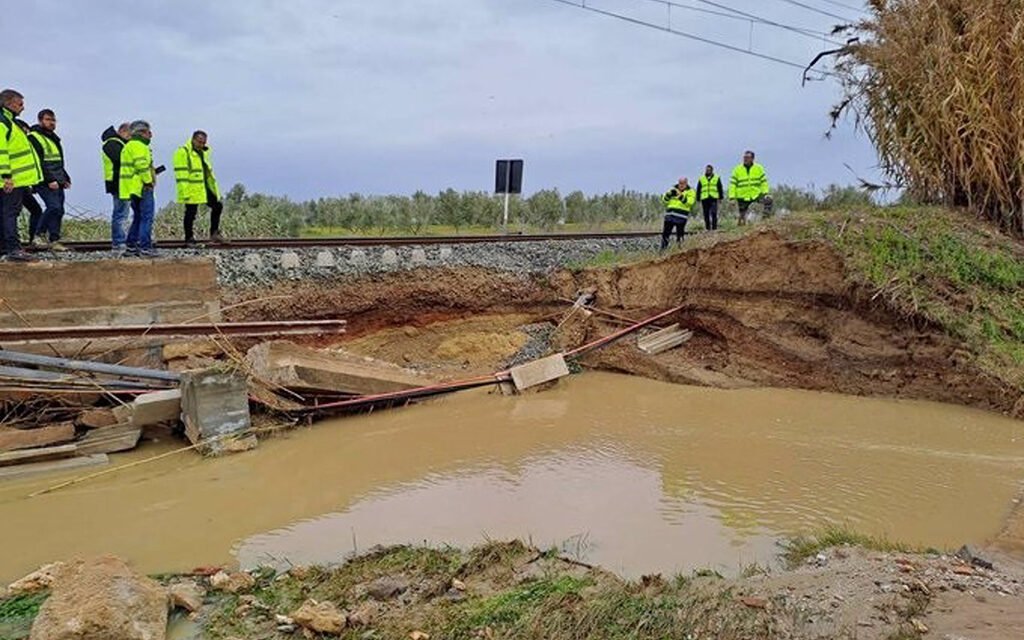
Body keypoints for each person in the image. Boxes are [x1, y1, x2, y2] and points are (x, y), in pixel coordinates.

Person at [0, 89, 42, 262]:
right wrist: (6, 176)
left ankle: (5, 248)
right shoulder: (3, 123)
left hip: (16, 180)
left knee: (7, 213)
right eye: (20, 104)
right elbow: (1, 151)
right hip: (12, 180)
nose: (23, 108)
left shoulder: (10, 122)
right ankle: (13, 249)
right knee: (10, 213)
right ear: (8, 103)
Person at [28, 109, 72, 251]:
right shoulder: (34, 137)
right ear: (40, 120)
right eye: (48, 120)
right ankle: (38, 235)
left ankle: (54, 240)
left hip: (57, 179)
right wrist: (49, 180)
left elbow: (57, 161)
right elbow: (39, 161)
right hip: (45, 180)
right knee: (53, 207)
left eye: (53, 120)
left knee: (59, 211)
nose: (52, 123)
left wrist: (65, 177)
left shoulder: (53, 137)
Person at [173, 130, 223, 246]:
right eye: (200, 142)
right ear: (193, 140)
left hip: (204, 187)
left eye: (204, 143)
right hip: (191, 188)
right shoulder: (183, 152)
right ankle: (189, 238)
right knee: (191, 212)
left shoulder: (204, 152)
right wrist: (185, 191)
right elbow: (181, 173)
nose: (202, 145)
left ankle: (214, 233)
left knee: (218, 206)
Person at [119, 120, 157, 257]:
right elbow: (141, 166)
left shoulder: (128, 146)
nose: (151, 135)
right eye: (148, 132)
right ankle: (145, 247)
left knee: (138, 217)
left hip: (131, 189)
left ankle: (131, 246)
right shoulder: (139, 146)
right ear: (141, 132)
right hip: (141, 187)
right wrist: (148, 182)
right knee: (147, 217)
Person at [102, 122, 131, 254]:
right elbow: (122, 160)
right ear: (123, 132)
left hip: (122, 183)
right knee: (120, 214)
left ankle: (122, 241)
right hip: (118, 183)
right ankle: (118, 243)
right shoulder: (112, 143)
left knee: (122, 213)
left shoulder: (119, 143)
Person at [14, 119, 44, 244]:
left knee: (35, 210)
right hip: (14, 184)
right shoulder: (15, 143)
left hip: (22, 185)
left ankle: (31, 239)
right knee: (12, 213)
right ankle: (11, 243)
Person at [728, 150, 772, 226]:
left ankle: (765, 220)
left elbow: (764, 182)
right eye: (744, 157)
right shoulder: (737, 169)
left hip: (756, 195)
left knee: (769, 199)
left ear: (752, 159)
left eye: (747, 157)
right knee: (742, 222)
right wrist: (732, 197)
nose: (745, 159)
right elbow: (732, 185)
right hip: (742, 197)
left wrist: (765, 193)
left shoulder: (759, 168)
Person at [660, 177, 696, 250]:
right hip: (669, 215)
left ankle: (680, 250)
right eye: (680, 183)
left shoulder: (691, 191)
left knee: (680, 235)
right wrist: (669, 194)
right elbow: (664, 201)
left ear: (686, 183)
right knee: (665, 234)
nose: (681, 185)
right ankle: (663, 250)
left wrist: (680, 196)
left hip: (681, 217)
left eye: (683, 183)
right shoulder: (672, 189)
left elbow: (690, 202)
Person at [696, 164, 724, 231]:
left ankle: (714, 228)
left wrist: (720, 197)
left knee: (714, 213)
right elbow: (699, 189)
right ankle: (707, 228)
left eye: (709, 170)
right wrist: (698, 198)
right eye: (707, 170)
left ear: (712, 170)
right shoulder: (701, 178)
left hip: (713, 197)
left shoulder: (716, 178)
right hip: (704, 198)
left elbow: (720, 188)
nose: (708, 171)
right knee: (706, 213)